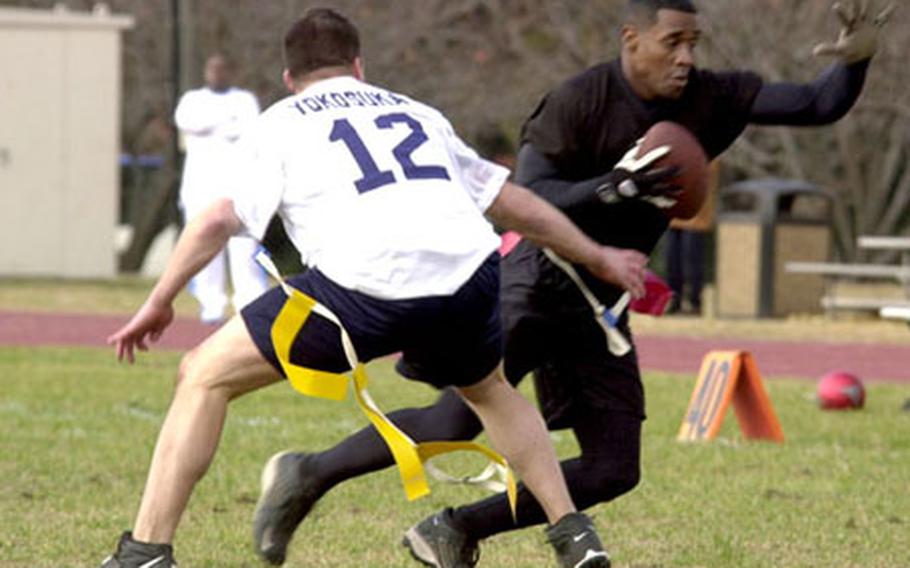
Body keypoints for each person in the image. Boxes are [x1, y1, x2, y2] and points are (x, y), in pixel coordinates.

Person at [260, 1, 896, 566]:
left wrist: (856, 62)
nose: (685, 58)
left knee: (615, 468)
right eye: (672, 41)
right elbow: (527, 196)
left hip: (602, 302)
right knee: (454, 419)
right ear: (631, 38)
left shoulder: (708, 97)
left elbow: (817, 103)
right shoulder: (581, 99)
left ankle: (454, 528)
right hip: (536, 279)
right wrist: (613, 186)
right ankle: (309, 472)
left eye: (694, 43)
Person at [98, 8, 649, 568]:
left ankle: (145, 551)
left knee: (202, 375)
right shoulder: (418, 111)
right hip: (470, 278)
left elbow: (217, 220)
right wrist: (598, 254)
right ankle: (572, 533)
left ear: (290, 78)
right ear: (359, 66)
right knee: (490, 390)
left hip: (367, 286)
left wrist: (158, 300)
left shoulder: (282, 120)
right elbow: (509, 200)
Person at [175, 53, 268, 324]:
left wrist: (216, 125)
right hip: (199, 187)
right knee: (203, 245)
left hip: (238, 187)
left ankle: (249, 303)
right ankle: (211, 303)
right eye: (212, 69)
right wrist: (224, 123)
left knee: (243, 248)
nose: (217, 74)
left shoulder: (244, 100)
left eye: (222, 69)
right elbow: (190, 123)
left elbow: (249, 129)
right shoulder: (192, 100)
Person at [664, 161, 719, 314]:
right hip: (674, 215)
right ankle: (674, 300)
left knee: (692, 261)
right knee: (672, 260)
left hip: (696, 215)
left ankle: (695, 302)